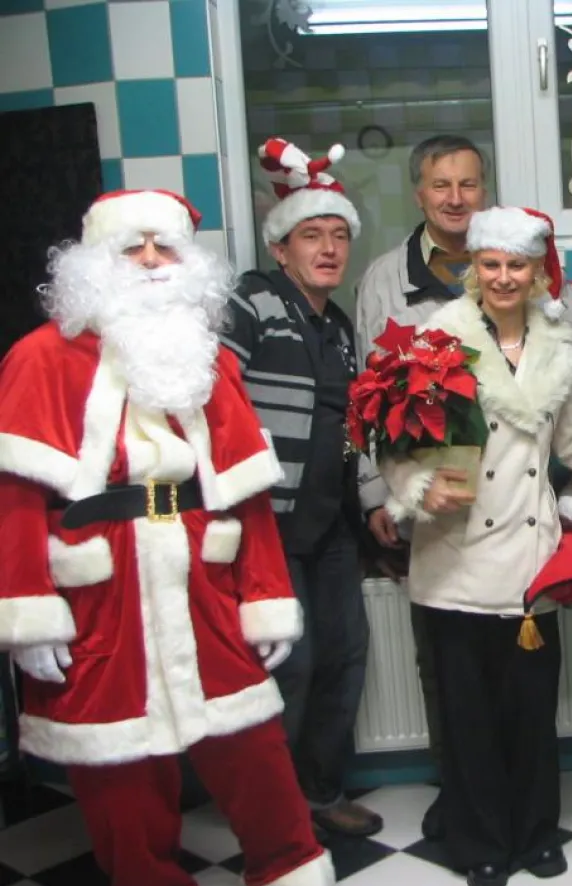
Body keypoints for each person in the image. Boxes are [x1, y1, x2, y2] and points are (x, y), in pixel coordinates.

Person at [354, 133, 572, 839]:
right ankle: (471, 824)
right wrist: (392, 494)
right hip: (450, 538)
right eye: (440, 185)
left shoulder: (551, 330)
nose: (455, 197)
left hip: (526, 542)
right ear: (420, 193)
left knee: (526, 700)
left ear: (532, 269)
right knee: (456, 697)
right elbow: (379, 410)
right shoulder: (418, 317)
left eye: (468, 184)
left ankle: (530, 825)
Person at [0, 189, 334, 886]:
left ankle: (290, 872)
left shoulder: (209, 359)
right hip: (97, 584)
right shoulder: (39, 357)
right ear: (96, 264)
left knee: (251, 742)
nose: (152, 261)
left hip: (202, 573)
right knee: (117, 761)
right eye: (132, 248)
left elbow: (246, 493)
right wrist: (25, 614)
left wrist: (268, 595)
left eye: (166, 248)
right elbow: (17, 498)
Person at [223, 138, 390, 837]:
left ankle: (319, 794)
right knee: (291, 667)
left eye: (338, 235)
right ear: (281, 247)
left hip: (330, 526)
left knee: (345, 656)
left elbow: (354, 424)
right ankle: (272, 812)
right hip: (268, 523)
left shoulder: (342, 326)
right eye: (311, 235)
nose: (328, 248)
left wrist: (376, 500)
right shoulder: (252, 301)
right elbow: (214, 395)